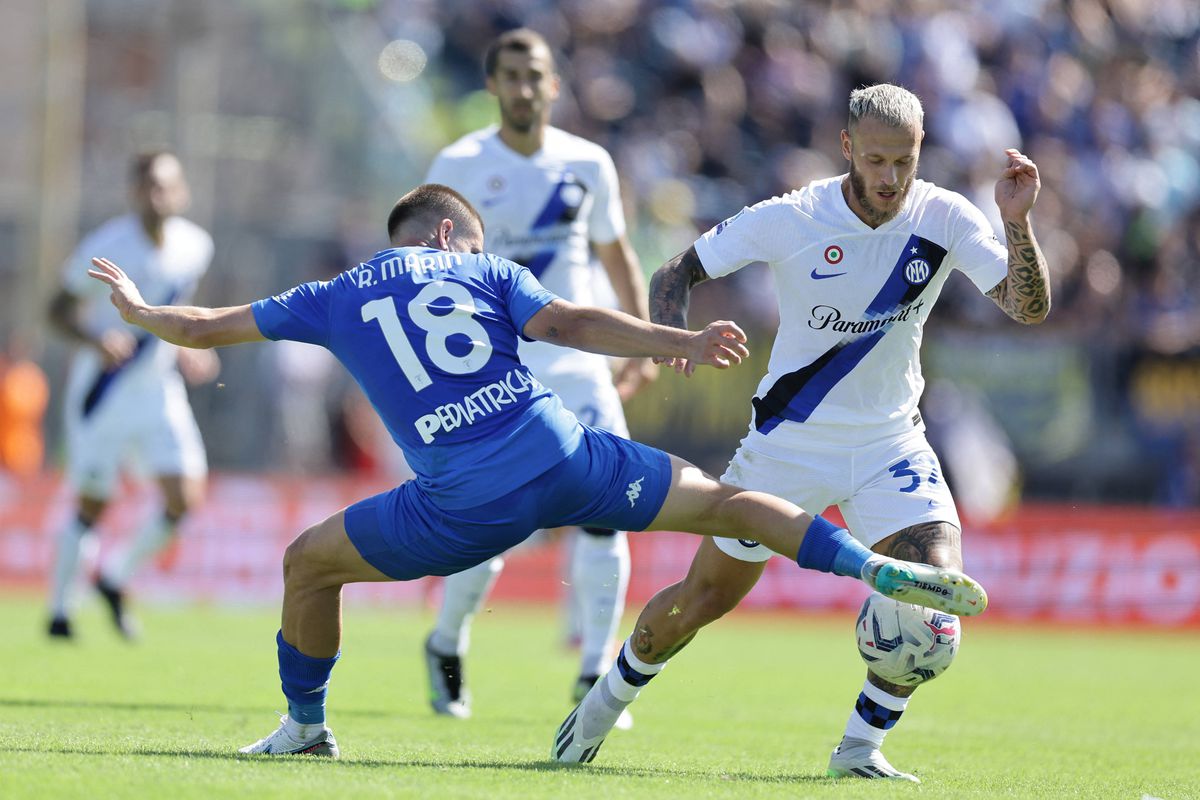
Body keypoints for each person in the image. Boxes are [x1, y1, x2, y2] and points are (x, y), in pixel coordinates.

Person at [87, 184, 988, 758]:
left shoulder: (334, 295)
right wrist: (680, 338)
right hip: (564, 457)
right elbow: (572, 328)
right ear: (451, 235)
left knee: (308, 564)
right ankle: (864, 567)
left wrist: (136, 307)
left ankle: (304, 726)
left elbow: (203, 328)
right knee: (729, 504)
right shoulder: (483, 273)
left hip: (461, 508)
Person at [554, 84, 1050, 780]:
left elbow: (1027, 308)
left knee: (931, 607)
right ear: (847, 148)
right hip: (786, 444)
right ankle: (605, 701)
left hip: (890, 444)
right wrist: (674, 338)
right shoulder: (794, 217)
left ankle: (858, 750)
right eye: (875, 160)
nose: (890, 178)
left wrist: (1018, 222)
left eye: (904, 162)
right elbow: (679, 270)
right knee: (702, 602)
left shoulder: (947, 216)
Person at [419, 28, 656, 722]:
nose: (525, 88)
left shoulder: (589, 163)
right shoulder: (457, 164)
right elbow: (424, 275)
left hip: (580, 368)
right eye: (511, 77)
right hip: (497, 372)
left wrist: (637, 347)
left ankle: (594, 675)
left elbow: (617, 258)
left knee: (610, 516)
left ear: (555, 84)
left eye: (536, 76)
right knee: (487, 530)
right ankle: (445, 640)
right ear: (492, 87)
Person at [46, 152, 216, 640]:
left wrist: (191, 351)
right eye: (147, 186)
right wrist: (94, 339)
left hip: (159, 389)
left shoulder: (195, 245)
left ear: (181, 191)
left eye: (165, 186)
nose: (156, 195)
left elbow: (180, 309)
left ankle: (114, 577)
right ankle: (60, 612)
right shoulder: (107, 246)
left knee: (184, 497)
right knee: (93, 502)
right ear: (133, 192)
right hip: (105, 390)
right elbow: (56, 310)